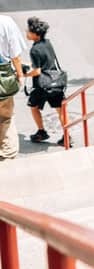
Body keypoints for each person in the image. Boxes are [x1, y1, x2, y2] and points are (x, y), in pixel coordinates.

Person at [23, 17, 70, 146]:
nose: (26, 33)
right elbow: (48, 61)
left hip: (42, 85)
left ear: (36, 35)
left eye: (28, 32)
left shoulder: (34, 50)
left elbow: (37, 71)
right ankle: (67, 136)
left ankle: (41, 131)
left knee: (33, 107)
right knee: (60, 110)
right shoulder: (47, 42)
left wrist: (25, 74)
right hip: (55, 81)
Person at [0, 14, 26, 161]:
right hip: (3, 80)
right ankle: (7, 156)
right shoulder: (5, 22)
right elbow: (15, 56)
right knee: (5, 118)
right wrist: (20, 76)